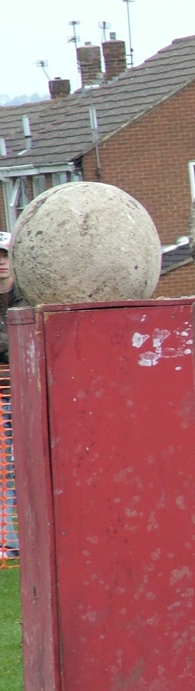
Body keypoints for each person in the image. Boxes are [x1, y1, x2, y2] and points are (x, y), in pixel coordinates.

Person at [0, 231, 25, 559]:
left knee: (24, 466)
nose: (1, 264)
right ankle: (7, 539)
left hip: (23, 392)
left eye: (4, 256)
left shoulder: (29, 295)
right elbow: (16, 339)